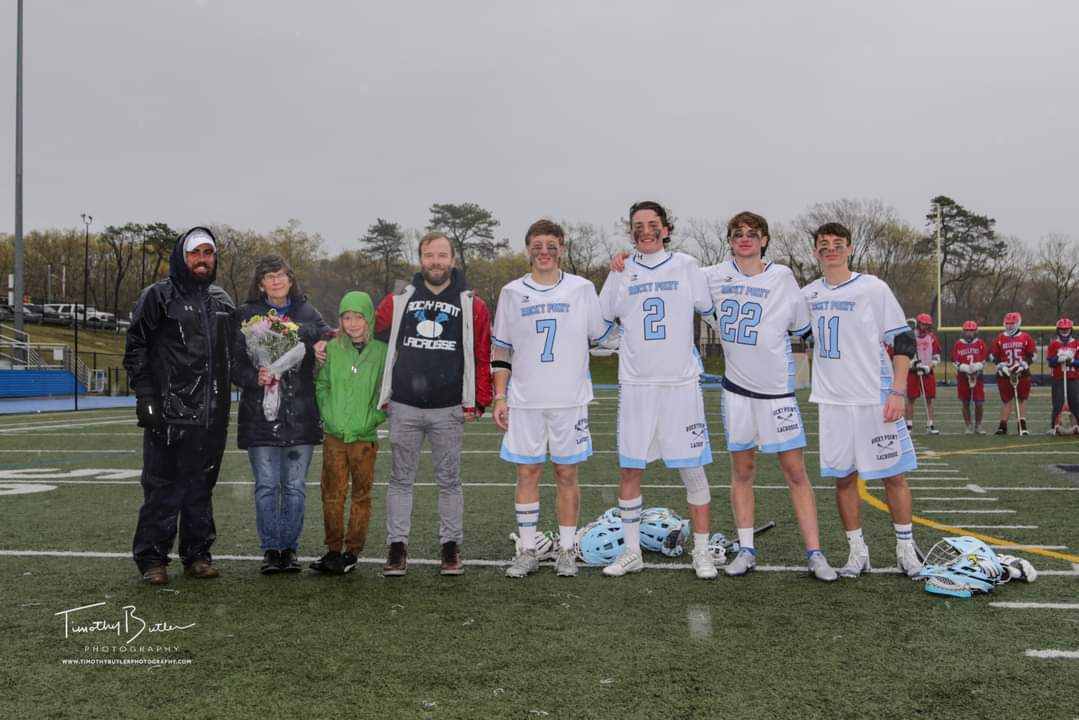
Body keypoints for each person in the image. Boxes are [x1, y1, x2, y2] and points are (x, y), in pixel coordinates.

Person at [702, 211, 837, 581]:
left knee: (795, 472)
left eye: (752, 233)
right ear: (729, 240)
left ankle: (815, 553)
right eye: (738, 234)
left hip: (777, 394)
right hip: (736, 392)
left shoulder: (782, 277)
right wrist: (624, 261)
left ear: (764, 240)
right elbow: (668, 280)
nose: (745, 239)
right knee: (742, 471)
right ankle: (746, 549)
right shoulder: (711, 276)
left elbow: (807, 331)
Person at [598, 201, 718, 579]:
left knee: (693, 469)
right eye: (638, 225)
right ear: (630, 231)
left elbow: (710, 309)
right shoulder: (621, 270)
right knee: (630, 469)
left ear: (666, 229)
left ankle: (701, 551)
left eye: (653, 224)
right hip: (636, 385)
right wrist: (627, 344)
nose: (645, 231)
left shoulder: (686, 265)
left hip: (680, 385)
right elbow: (600, 322)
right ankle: (632, 551)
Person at [493, 220, 614, 579]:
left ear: (562, 249)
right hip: (525, 400)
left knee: (566, 473)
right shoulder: (512, 292)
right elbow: (502, 349)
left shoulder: (581, 288)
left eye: (551, 245)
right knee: (527, 472)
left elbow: (602, 335)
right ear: (527, 249)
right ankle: (528, 549)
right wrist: (500, 395)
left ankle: (565, 549)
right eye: (537, 245)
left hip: (569, 399)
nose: (543, 251)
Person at [802, 222, 923, 578]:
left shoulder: (872, 287)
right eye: (823, 244)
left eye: (838, 243)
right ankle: (858, 552)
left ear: (850, 249)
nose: (830, 249)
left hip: (875, 396)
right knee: (843, 479)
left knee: (894, 476)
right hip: (833, 401)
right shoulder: (807, 294)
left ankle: (905, 551)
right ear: (815, 252)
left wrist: (898, 392)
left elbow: (903, 340)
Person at [374, 231, 493, 576]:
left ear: (453, 260)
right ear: (420, 259)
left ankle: (450, 547)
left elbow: (481, 350)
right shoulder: (400, 296)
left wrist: (479, 399)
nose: (436, 262)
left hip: (448, 406)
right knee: (400, 479)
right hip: (405, 404)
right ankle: (397, 548)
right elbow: (372, 331)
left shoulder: (472, 302)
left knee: (449, 481)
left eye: (442, 255)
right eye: (430, 255)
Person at [123, 227, 235, 585]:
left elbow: (239, 353)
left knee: (201, 487)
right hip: (170, 411)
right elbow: (136, 346)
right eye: (195, 253)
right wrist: (146, 396)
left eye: (208, 253)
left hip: (212, 414)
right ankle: (152, 559)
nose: (202, 260)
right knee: (162, 487)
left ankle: (198, 554)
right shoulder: (157, 296)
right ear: (181, 256)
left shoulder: (223, 301)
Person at [232, 256, 330, 575]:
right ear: (260, 284)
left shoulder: (306, 312)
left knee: (295, 487)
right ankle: (270, 549)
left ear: (291, 279)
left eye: (281, 275)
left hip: (300, 413)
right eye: (269, 277)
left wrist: (310, 341)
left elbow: (324, 333)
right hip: (261, 415)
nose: (276, 281)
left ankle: (289, 548)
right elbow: (233, 363)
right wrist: (253, 377)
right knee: (266, 486)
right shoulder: (246, 315)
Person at [313, 291, 388, 574]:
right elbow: (322, 385)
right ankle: (333, 549)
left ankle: (352, 551)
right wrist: (328, 413)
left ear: (368, 318)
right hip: (334, 435)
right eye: (347, 317)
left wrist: (374, 417)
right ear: (340, 320)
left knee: (361, 495)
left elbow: (387, 391)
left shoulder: (381, 351)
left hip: (364, 437)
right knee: (332, 494)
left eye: (358, 317)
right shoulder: (331, 349)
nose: (353, 323)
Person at [989, 312, 1036, 435]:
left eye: (1012, 324)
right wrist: (1000, 365)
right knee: (1006, 400)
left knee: (1020, 399)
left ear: (1018, 323)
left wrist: (1024, 364)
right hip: (1005, 372)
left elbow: (1033, 355)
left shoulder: (1026, 337)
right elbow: (993, 355)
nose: (1009, 326)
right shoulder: (999, 338)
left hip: (1021, 372)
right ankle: (1002, 426)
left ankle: (1022, 425)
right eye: (1007, 323)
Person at [905, 313, 942, 435]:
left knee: (929, 399)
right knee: (911, 398)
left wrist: (928, 367)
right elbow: (904, 356)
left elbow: (937, 358)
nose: (925, 327)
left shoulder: (932, 338)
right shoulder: (910, 337)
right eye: (922, 324)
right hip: (913, 372)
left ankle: (930, 424)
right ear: (918, 323)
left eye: (927, 325)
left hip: (927, 372)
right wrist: (912, 364)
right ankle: (909, 425)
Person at [952, 319, 988, 435]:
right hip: (963, 376)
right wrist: (963, 367)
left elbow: (985, 360)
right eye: (967, 331)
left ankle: (978, 425)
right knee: (965, 402)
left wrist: (978, 366)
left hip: (977, 376)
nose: (969, 333)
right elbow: (954, 360)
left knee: (979, 402)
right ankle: (968, 425)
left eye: (971, 331)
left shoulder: (980, 343)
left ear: (975, 332)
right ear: (963, 331)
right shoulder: (958, 343)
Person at [1046, 317, 1079, 434]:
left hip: (1073, 378)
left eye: (1067, 329)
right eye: (1062, 329)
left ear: (1071, 330)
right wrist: (1058, 358)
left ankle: (1076, 425)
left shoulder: (1076, 344)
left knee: (1075, 403)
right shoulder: (1053, 345)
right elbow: (1050, 362)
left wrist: (1072, 361)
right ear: (1058, 330)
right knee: (1057, 403)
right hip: (1058, 378)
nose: (1064, 331)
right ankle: (1053, 426)